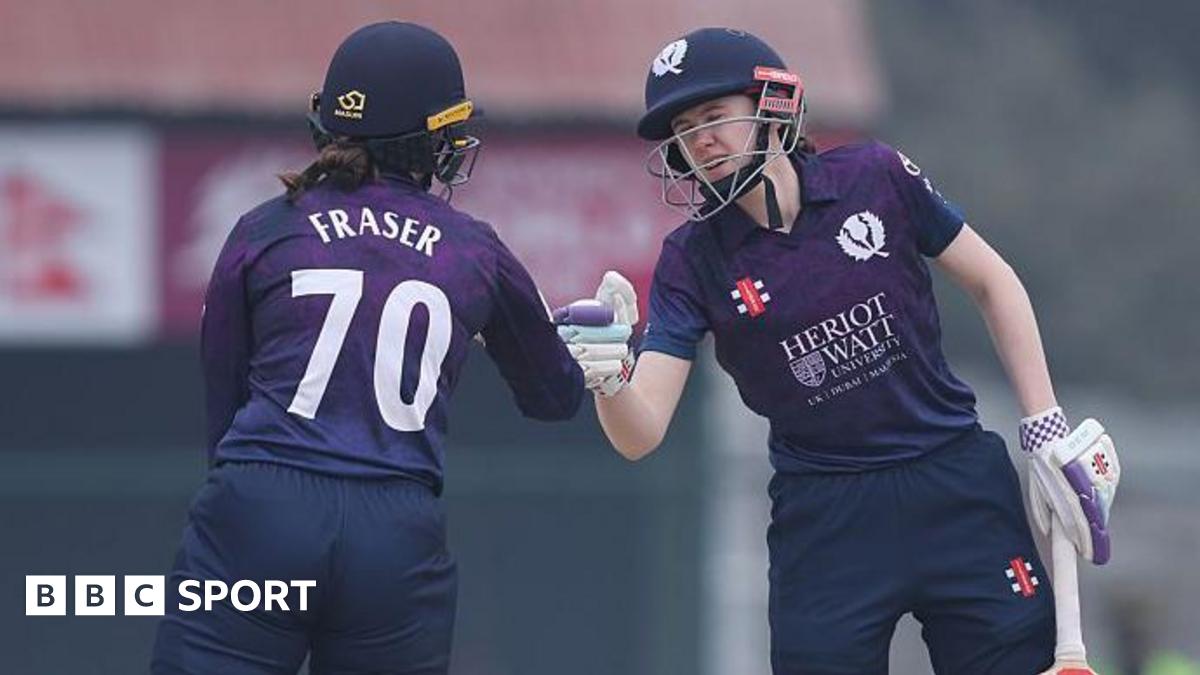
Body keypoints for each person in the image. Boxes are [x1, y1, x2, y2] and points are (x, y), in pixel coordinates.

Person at [555, 27, 1121, 675]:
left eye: (713, 115)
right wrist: (609, 380)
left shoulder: (875, 176)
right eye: (684, 129)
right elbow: (642, 433)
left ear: (773, 106)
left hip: (953, 481)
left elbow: (995, 282)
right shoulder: (691, 260)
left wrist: (1044, 424)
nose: (699, 139)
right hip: (827, 515)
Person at [152, 21, 583, 675]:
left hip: (260, 503)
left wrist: (248, 505)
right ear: (430, 140)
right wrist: (584, 344)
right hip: (394, 530)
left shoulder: (262, 228)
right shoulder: (473, 249)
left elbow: (225, 394)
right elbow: (555, 397)